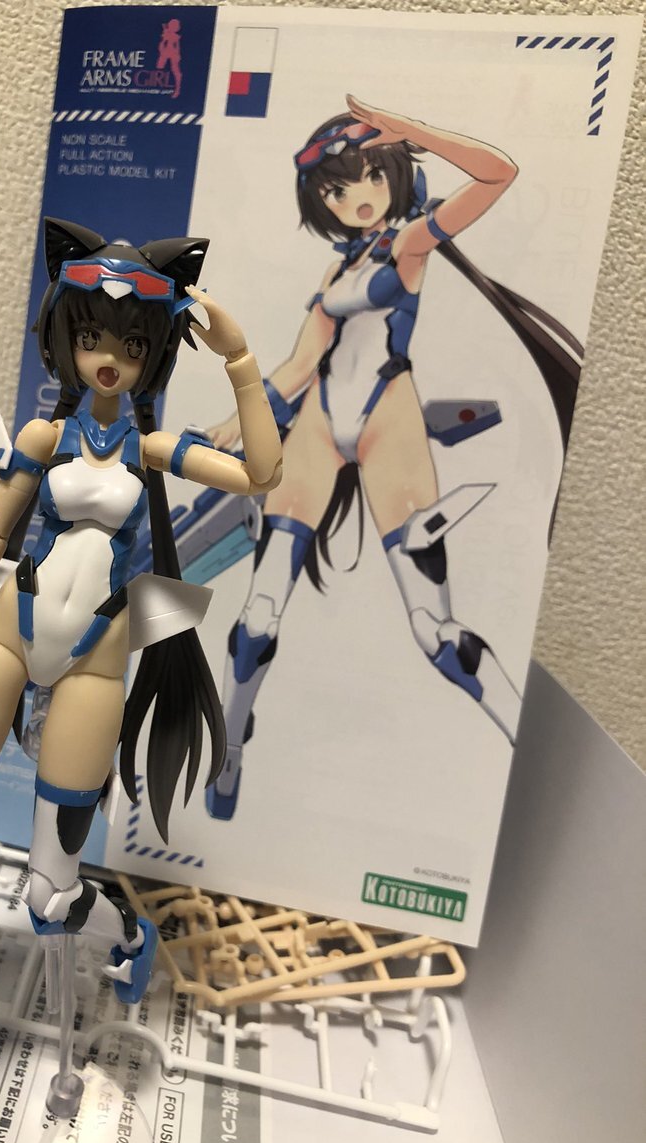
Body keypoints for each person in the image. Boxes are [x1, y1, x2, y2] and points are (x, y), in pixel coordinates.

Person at [0, 217, 282, 1060]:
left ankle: (129, 938)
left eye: (130, 344)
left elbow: (262, 474)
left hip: (94, 663)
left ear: (152, 354)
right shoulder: (46, 439)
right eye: (92, 337)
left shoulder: (153, 448)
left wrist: (241, 361)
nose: (108, 357)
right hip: (7, 635)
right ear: (66, 339)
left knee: (51, 895)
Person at [206, 95, 581, 820]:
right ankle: (230, 745)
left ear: (393, 174)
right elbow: (300, 365)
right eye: (335, 189)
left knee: (438, 634)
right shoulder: (334, 274)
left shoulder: (410, 242)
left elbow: (498, 173)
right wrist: (238, 420)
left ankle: (523, 756)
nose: (356, 197)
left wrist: (414, 133)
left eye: (370, 176)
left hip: (389, 417)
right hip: (319, 423)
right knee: (259, 616)